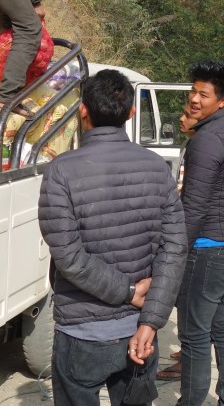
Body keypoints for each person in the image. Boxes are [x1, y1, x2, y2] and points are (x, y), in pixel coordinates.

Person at [38, 69, 186, 406]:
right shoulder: (156, 169)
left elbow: (70, 258)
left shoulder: (60, 171)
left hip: (81, 334)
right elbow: (175, 249)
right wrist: (150, 320)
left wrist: (129, 293)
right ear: (131, 113)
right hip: (140, 333)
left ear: (83, 111)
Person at [169, 60, 224, 406]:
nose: (194, 99)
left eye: (203, 94)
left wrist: (174, 256)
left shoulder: (206, 141)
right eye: (193, 91)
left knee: (193, 336)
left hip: (210, 250)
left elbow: (194, 210)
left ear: (221, 101)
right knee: (223, 326)